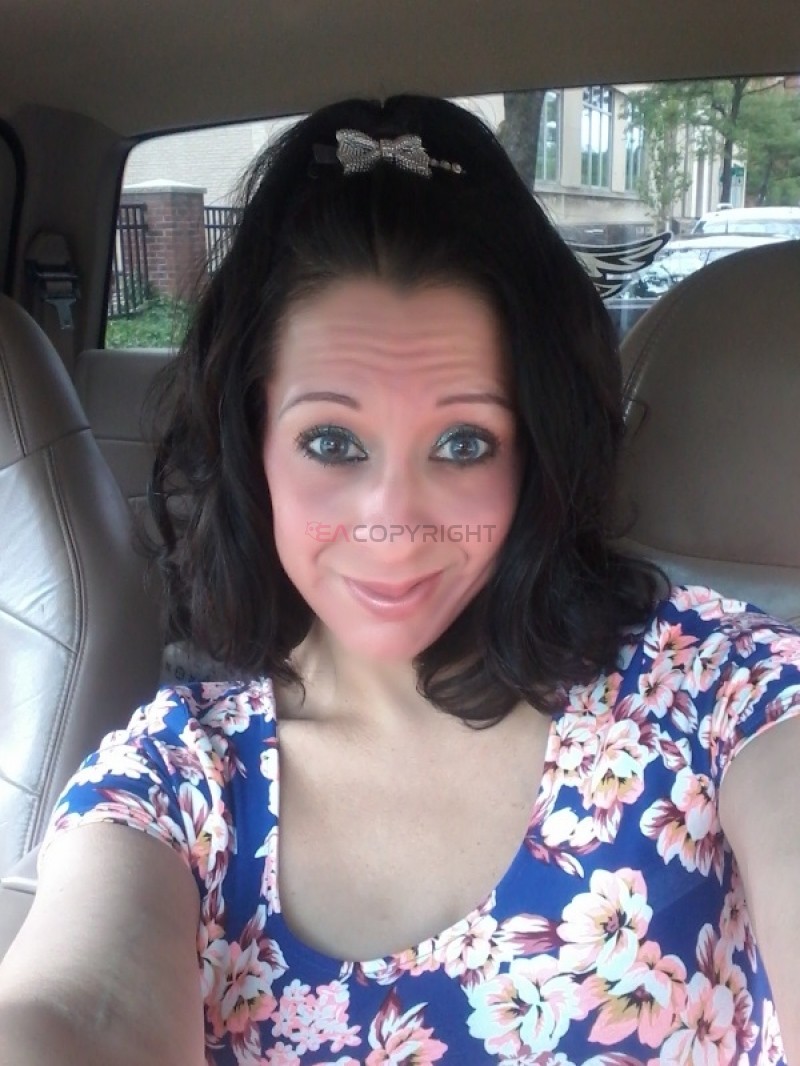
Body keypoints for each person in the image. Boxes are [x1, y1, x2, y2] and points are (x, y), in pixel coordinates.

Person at [1, 94, 799, 1066]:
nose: (394, 523)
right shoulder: (179, 780)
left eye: (462, 442)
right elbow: (81, 1015)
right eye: (331, 442)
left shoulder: (723, 693)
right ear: (253, 444)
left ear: (531, 452)